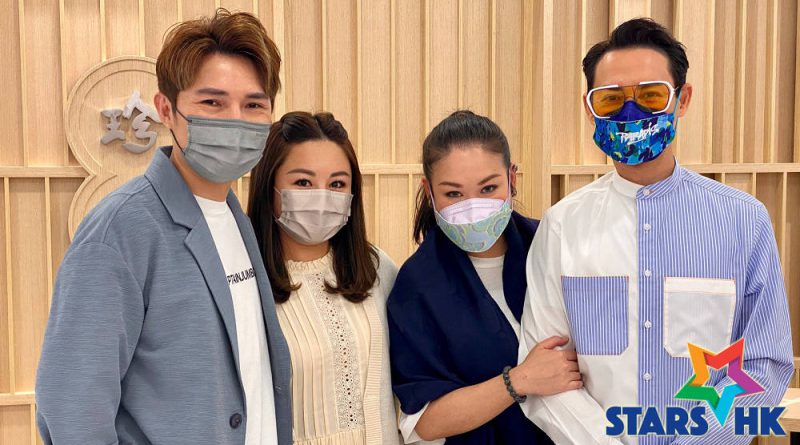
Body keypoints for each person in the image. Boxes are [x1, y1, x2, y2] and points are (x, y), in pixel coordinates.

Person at [517, 18, 794, 445]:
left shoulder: (744, 221)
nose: (631, 113)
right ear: (590, 109)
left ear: (682, 99)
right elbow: (547, 373)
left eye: (650, 96)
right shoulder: (561, 226)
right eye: (611, 99)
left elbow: (764, 362)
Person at [35, 9, 291, 445]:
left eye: (254, 105)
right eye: (212, 103)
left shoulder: (235, 217)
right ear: (166, 110)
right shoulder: (120, 231)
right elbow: (72, 408)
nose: (235, 120)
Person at [388, 110, 581, 445]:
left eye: (488, 188)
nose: (473, 208)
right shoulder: (417, 286)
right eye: (453, 194)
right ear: (428, 191)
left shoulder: (553, 246)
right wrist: (518, 381)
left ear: (512, 178)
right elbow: (425, 422)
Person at [248, 111, 401, 445]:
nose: (322, 196)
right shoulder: (245, 280)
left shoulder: (376, 267)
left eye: (337, 184)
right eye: (303, 183)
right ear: (268, 186)